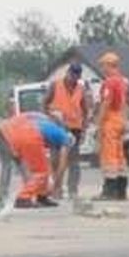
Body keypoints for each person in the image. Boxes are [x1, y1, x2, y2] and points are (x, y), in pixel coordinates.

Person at [0, 112, 73, 209]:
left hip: (3, 133)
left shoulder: (40, 119)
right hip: (29, 135)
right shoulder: (63, 136)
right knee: (41, 173)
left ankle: (41, 195)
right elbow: (62, 164)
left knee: (10, 167)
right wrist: (57, 185)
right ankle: (23, 197)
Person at [45, 61, 92, 199]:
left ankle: (73, 190)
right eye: (73, 74)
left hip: (74, 130)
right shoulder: (55, 85)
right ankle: (57, 189)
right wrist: (49, 116)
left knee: (73, 161)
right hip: (56, 128)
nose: (74, 78)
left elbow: (85, 111)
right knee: (55, 159)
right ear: (68, 73)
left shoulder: (81, 89)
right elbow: (44, 103)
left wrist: (84, 129)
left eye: (77, 76)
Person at [96, 51, 129, 200]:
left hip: (110, 120)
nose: (102, 69)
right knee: (119, 156)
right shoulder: (123, 81)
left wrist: (99, 122)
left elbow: (106, 102)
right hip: (120, 119)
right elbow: (125, 103)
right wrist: (125, 121)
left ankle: (109, 191)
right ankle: (121, 191)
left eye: (103, 65)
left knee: (109, 155)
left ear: (109, 65)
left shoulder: (110, 82)